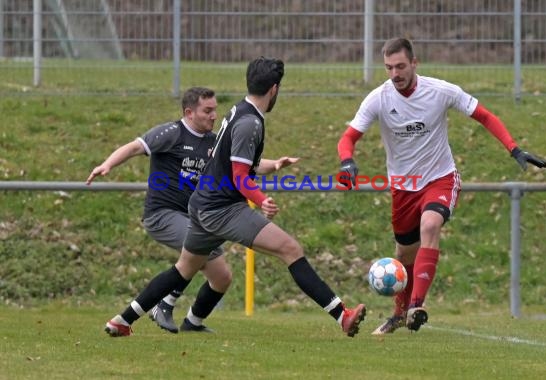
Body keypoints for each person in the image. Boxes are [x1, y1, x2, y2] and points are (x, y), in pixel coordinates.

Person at [103, 56, 366, 338]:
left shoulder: (238, 111)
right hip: (222, 209)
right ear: (274, 89)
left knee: (183, 270)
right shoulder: (250, 122)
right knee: (290, 249)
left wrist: (273, 165)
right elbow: (240, 176)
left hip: (202, 206)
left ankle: (123, 320)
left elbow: (232, 163)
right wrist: (261, 198)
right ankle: (342, 315)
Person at [337, 37, 546, 335]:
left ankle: (416, 307)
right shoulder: (379, 98)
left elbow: (484, 116)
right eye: (388, 67)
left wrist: (514, 149)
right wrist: (347, 162)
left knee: (430, 225)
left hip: (440, 178)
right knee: (403, 257)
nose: (395, 73)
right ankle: (399, 313)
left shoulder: (440, 91)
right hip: (403, 188)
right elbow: (348, 138)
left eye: (400, 66)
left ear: (414, 63)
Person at [87, 87, 232, 333]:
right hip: (161, 215)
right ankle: (157, 306)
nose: (214, 115)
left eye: (215, 110)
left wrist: (276, 164)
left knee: (222, 276)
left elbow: (247, 164)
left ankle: (193, 323)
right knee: (198, 249)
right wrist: (107, 164)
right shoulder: (171, 133)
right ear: (189, 112)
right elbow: (134, 147)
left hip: (192, 218)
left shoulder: (213, 142)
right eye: (207, 110)